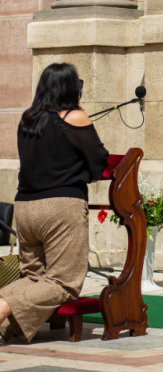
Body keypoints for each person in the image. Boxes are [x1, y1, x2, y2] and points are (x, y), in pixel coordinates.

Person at [0, 63, 108, 344]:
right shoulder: (74, 117)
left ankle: (5, 321)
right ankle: (3, 307)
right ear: (70, 89)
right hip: (60, 207)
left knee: (34, 278)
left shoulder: (28, 120)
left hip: (25, 208)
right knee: (63, 283)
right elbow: (99, 160)